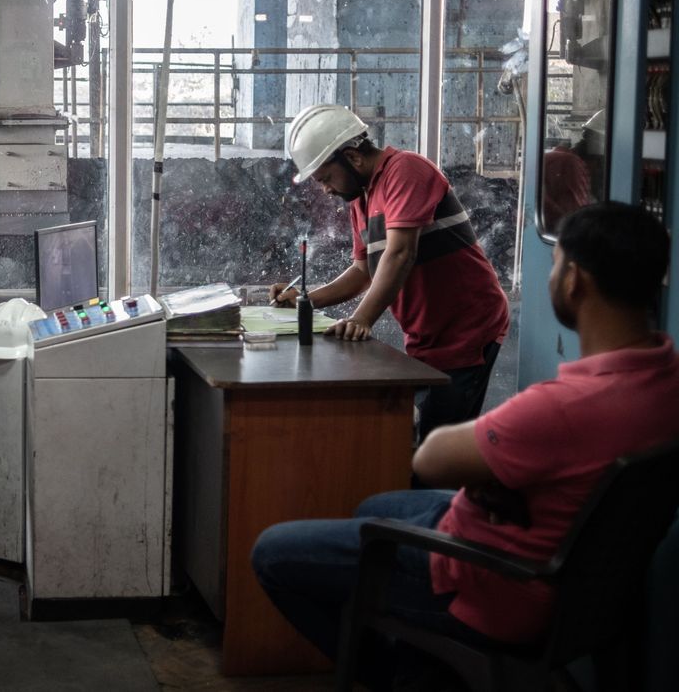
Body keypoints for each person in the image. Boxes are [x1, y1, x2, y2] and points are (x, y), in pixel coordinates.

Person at [252, 201, 679, 689]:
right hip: (569, 574)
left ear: (574, 280)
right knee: (376, 503)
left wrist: (491, 471)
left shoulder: (562, 408)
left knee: (273, 553)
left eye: (556, 263)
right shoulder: (664, 378)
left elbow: (432, 458)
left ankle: (396, 677)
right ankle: (426, 660)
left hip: (491, 581)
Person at [270, 104, 510, 442]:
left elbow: (400, 253)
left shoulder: (405, 170)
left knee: (439, 448)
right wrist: (304, 300)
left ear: (352, 157)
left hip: (466, 329)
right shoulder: (361, 199)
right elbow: (362, 271)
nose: (325, 190)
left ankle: (450, 497)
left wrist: (361, 319)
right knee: (421, 438)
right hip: (427, 332)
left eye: (325, 178)